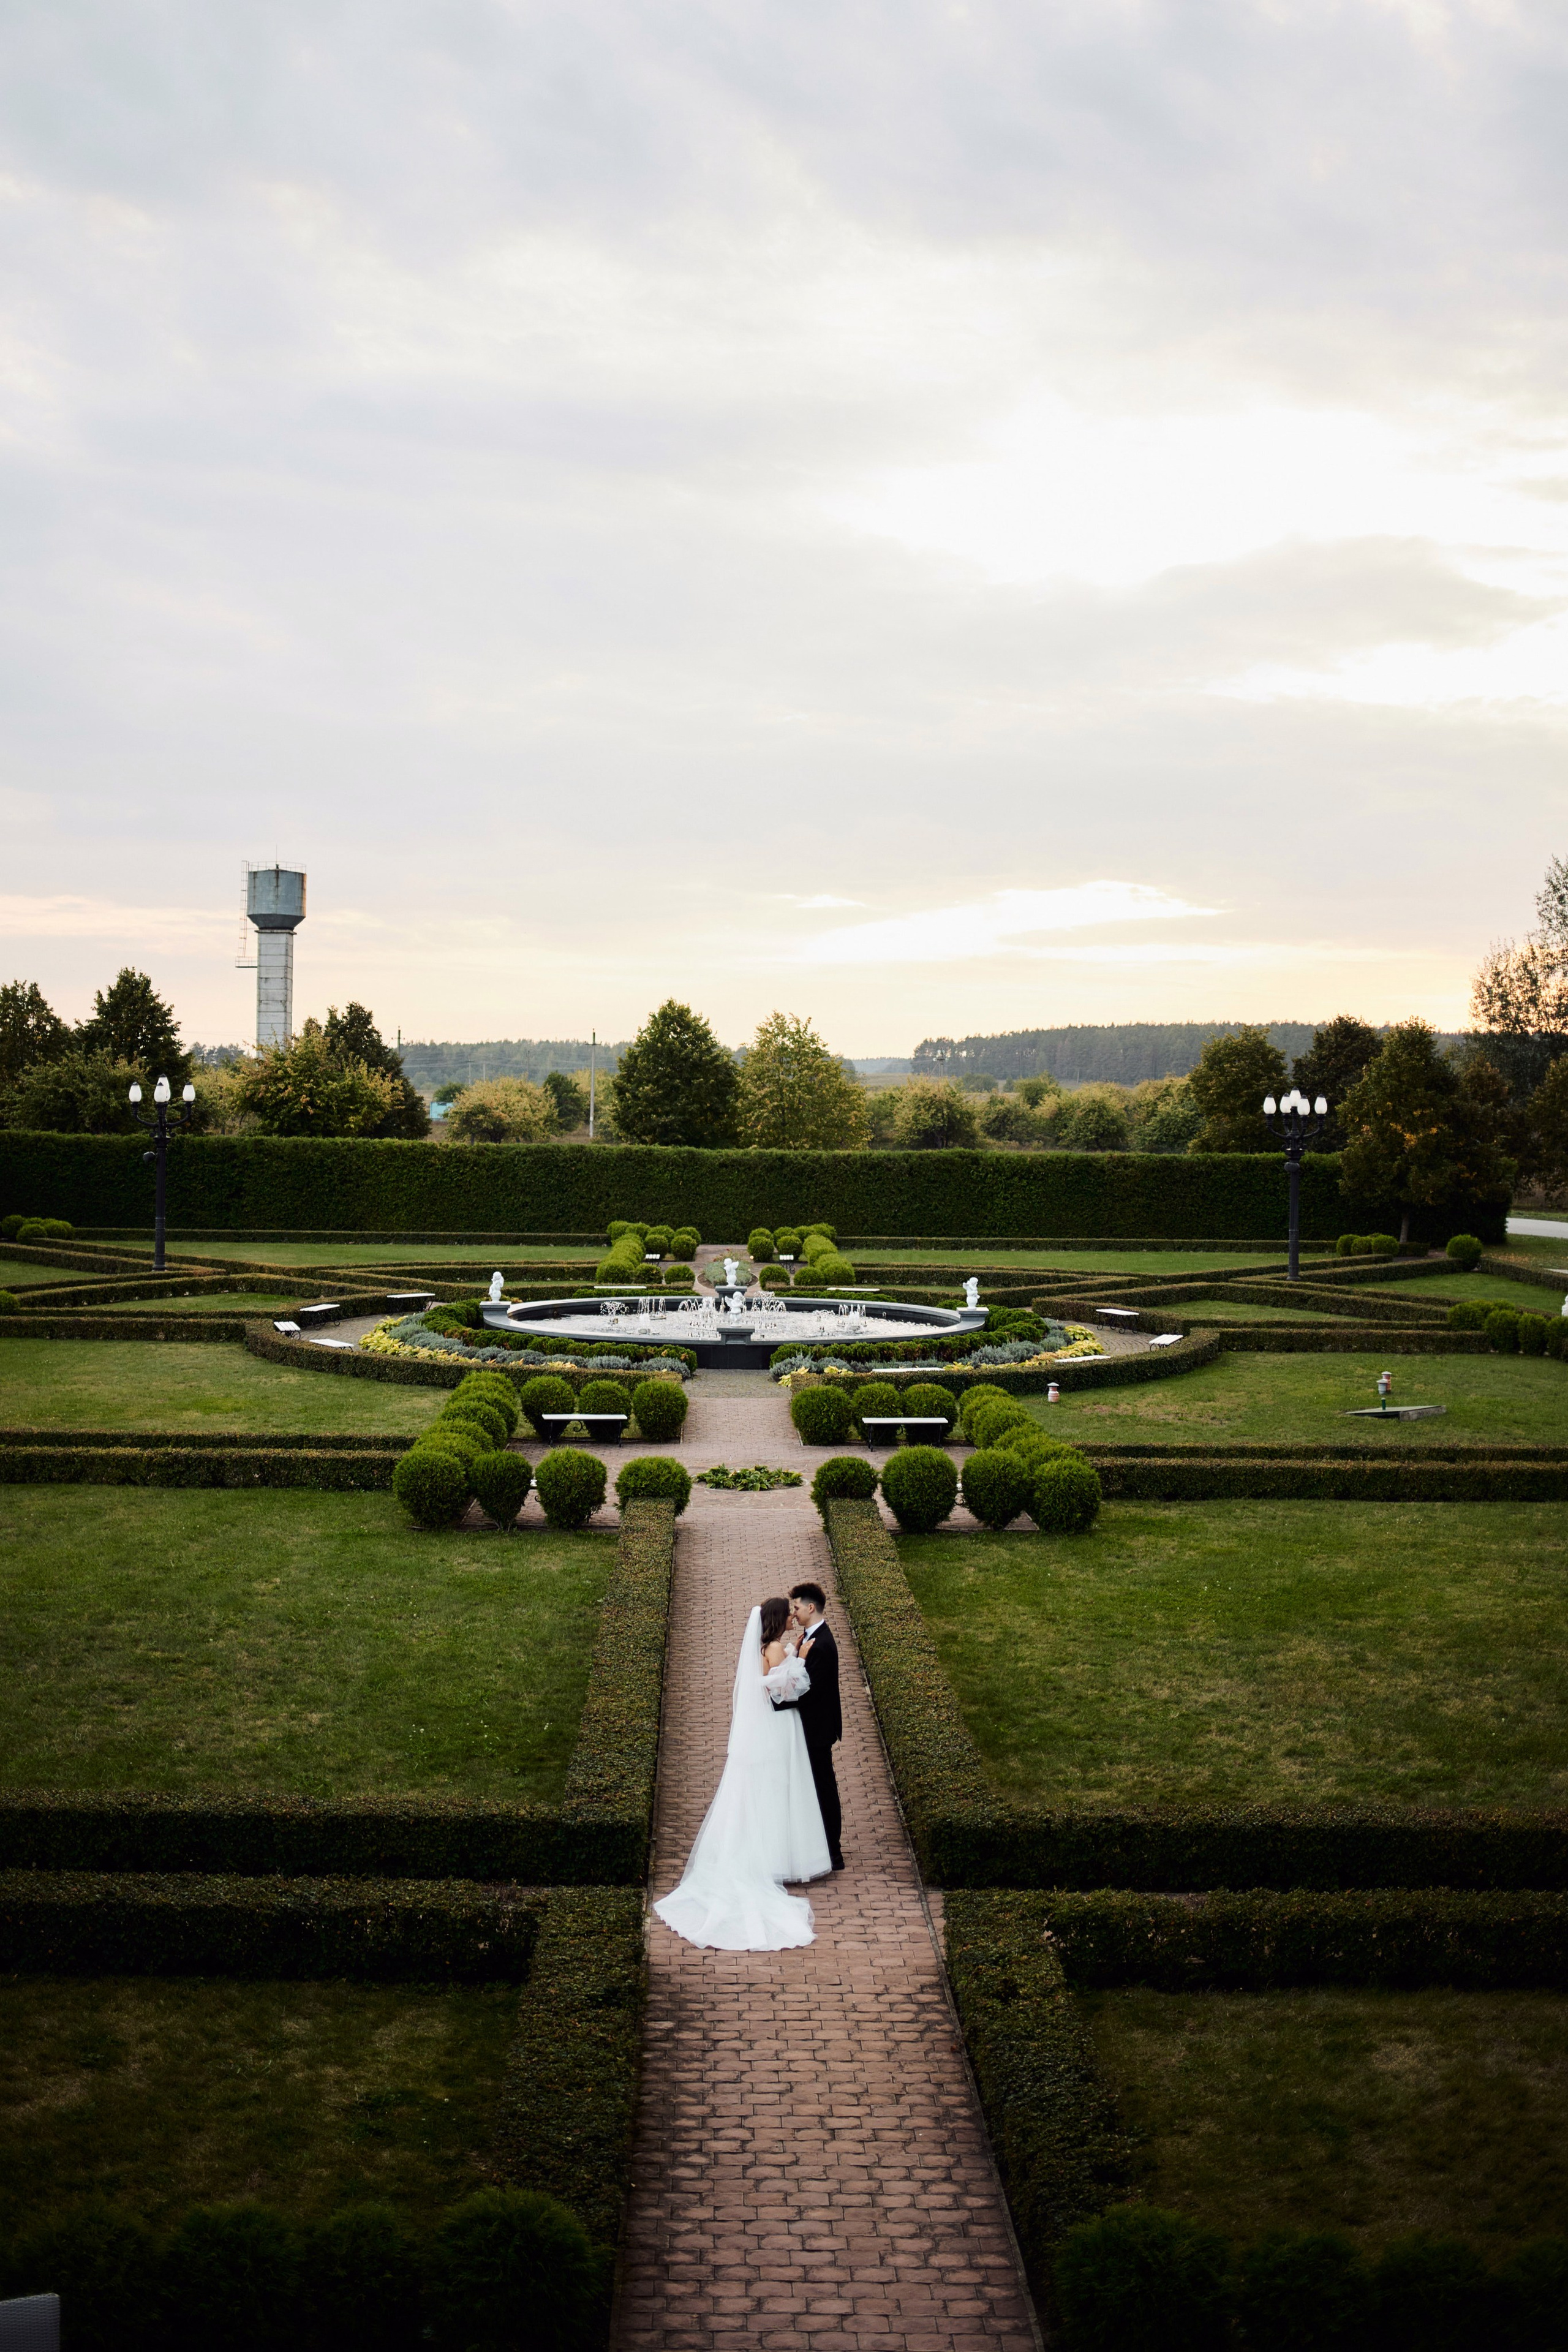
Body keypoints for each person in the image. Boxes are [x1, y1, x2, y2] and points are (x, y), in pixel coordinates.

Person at [653, 1596, 832, 1951]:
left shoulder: (763, 1647)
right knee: (781, 1789)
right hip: (780, 1727)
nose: (791, 1619)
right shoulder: (777, 1649)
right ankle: (779, 1858)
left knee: (764, 1790)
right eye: (788, 1615)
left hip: (763, 1729)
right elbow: (787, 1691)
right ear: (779, 1619)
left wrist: (793, 1654)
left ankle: (767, 1853)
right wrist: (803, 1660)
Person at [773, 1581, 844, 1871]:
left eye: (798, 1607)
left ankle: (833, 1852)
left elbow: (810, 1691)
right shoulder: (808, 1638)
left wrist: (778, 1702)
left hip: (818, 1730)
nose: (795, 1612)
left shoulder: (823, 1643)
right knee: (815, 1786)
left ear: (811, 1607)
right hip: (812, 1727)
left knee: (824, 1788)